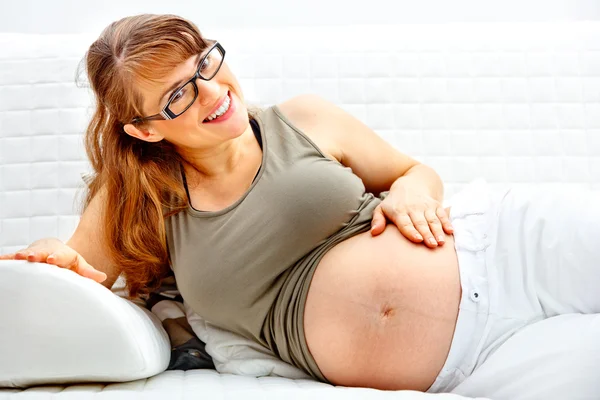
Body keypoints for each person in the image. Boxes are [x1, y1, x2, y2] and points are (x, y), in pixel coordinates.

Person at [1, 13, 599, 396]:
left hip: (505, 249)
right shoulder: (142, 198)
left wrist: (413, 192)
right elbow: (73, 266)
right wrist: (47, 260)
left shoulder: (302, 119)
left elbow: (413, 172)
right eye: (180, 93)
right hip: (473, 366)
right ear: (146, 130)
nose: (215, 91)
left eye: (205, 61)